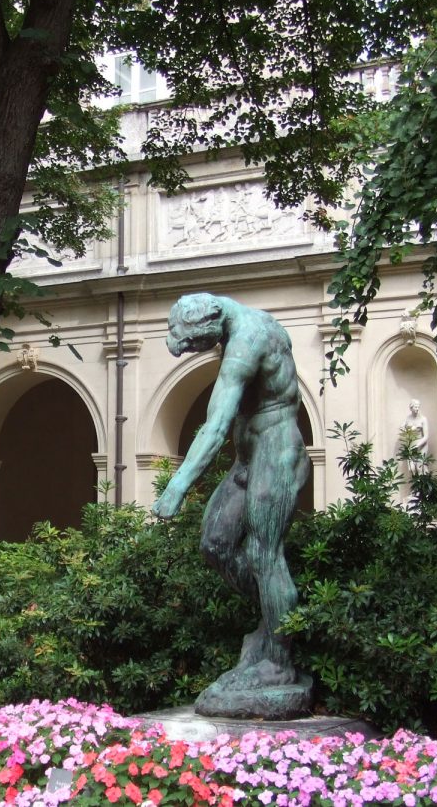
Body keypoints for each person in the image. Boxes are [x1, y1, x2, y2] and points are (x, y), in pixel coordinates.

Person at [153, 293, 310, 714]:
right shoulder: (230, 328)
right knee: (215, 544)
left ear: (212, 323)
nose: (194, 353)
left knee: (264, 554)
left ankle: (278, 663)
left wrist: (178, 486)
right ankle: (274, 618)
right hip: (247, 459)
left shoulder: (250, 337)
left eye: (193, 344)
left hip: (276, 452)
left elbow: (218, 422)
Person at [401, 399, 430, 474]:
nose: (417, 409)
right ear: (411, 408)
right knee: (411, 469)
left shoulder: (423, 419)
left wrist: (418, 445)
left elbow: (426, 436)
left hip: (421, 444)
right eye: (415, 407)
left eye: (418, 407)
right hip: (411, 444)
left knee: (420, 467)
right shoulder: (408, 418)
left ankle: (424, 483)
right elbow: (402, 427)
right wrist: (406, 430)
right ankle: (416, 483)